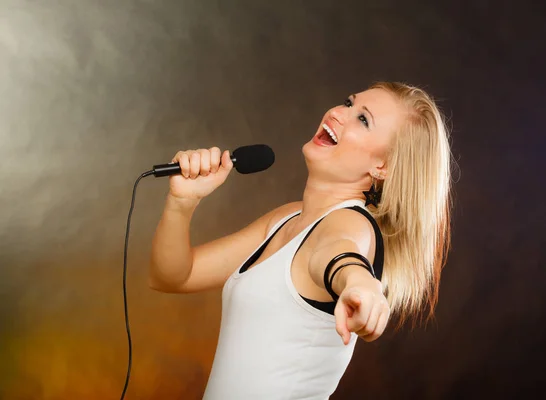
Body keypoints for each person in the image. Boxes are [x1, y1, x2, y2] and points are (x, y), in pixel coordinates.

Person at [148, 82, 453, 399]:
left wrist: (361, 284)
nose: (338, 113)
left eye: (363, 120)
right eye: (348, 103)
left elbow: (342, 253)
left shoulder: (351, 223)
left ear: (383, 166)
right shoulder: (287, 219)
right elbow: (173, 275)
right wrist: (181, 203)